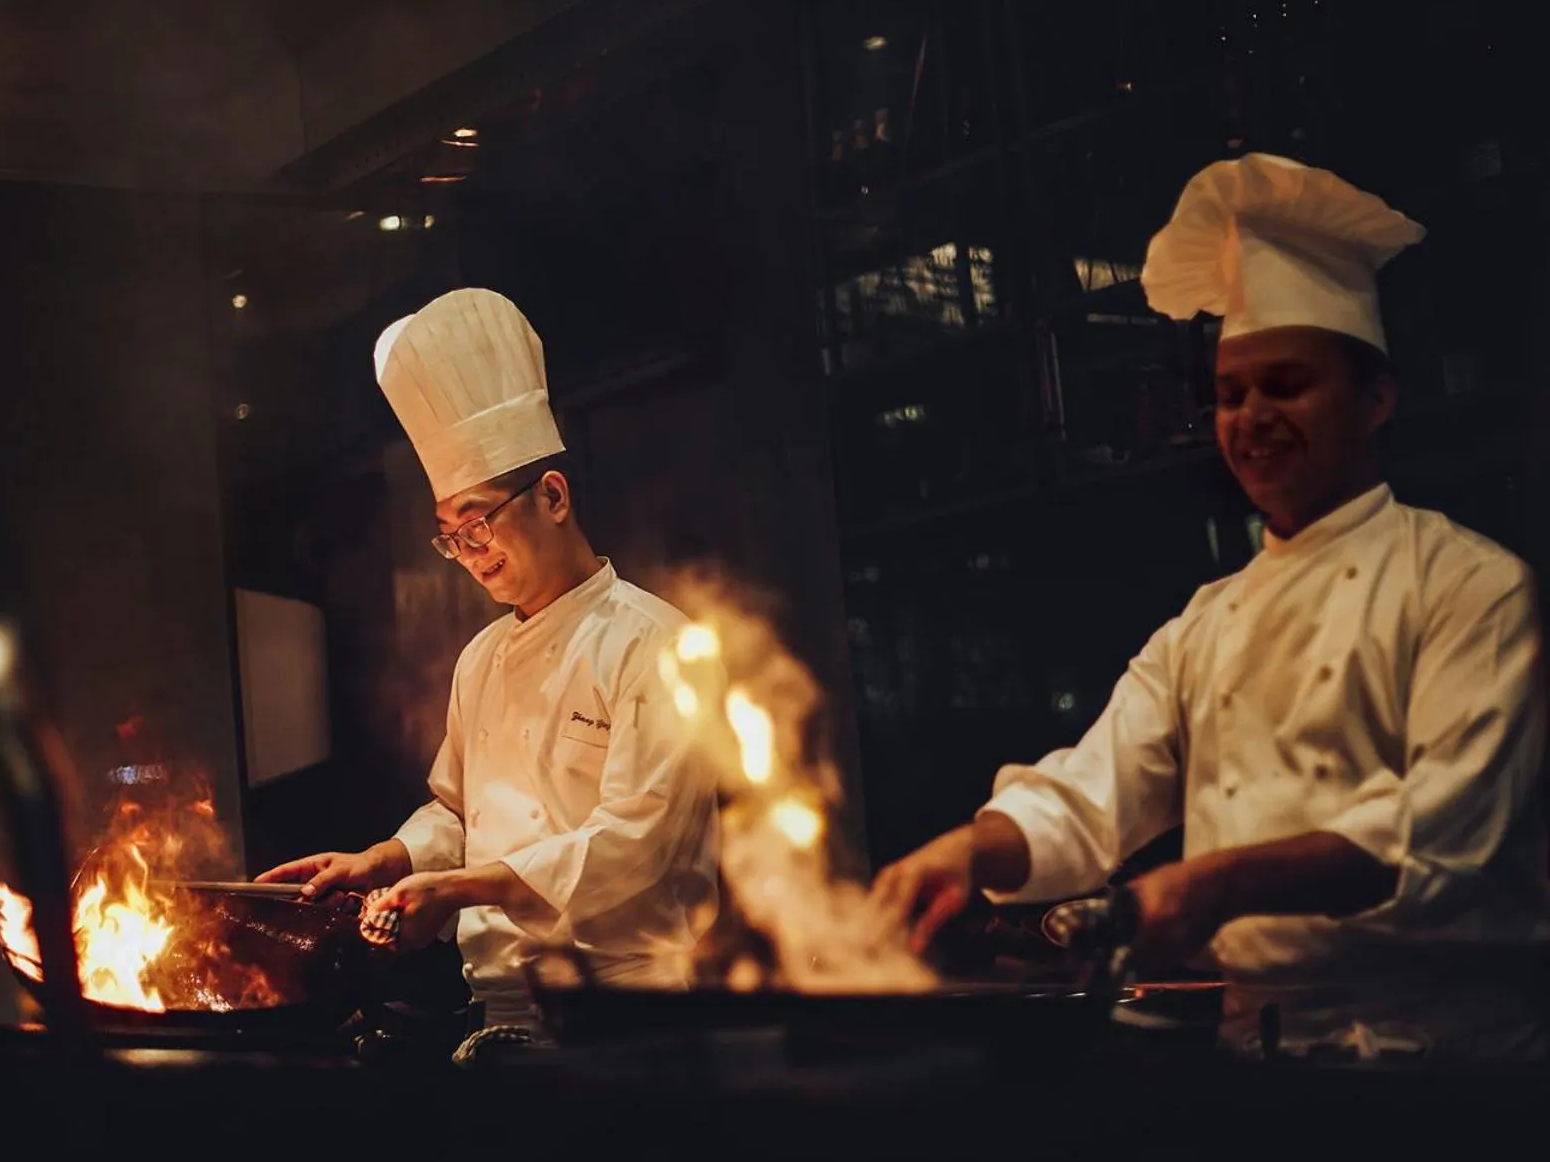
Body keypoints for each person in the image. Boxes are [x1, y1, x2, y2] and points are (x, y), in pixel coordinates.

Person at [873, 154, 1550, 1061]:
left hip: (1444, 1059)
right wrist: (961, 852)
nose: (1251, 416)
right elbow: (1089, 792)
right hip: (1257, 1049)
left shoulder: (1473, 587)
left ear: (1376, 397)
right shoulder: (1208, 621)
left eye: (1285, 384)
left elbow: (1439, 833)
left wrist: (1215, 883)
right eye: (1231, 395)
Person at [258, 288, 716, 1031]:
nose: (470, 556)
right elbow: (459, 811)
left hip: (635, 1017)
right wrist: (393, 858)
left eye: (479, 524)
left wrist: (466, 888)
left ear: (554, 496)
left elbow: (634, 843)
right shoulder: (481, 659)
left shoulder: (656, 645)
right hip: (497, 1007)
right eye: (451, 536)